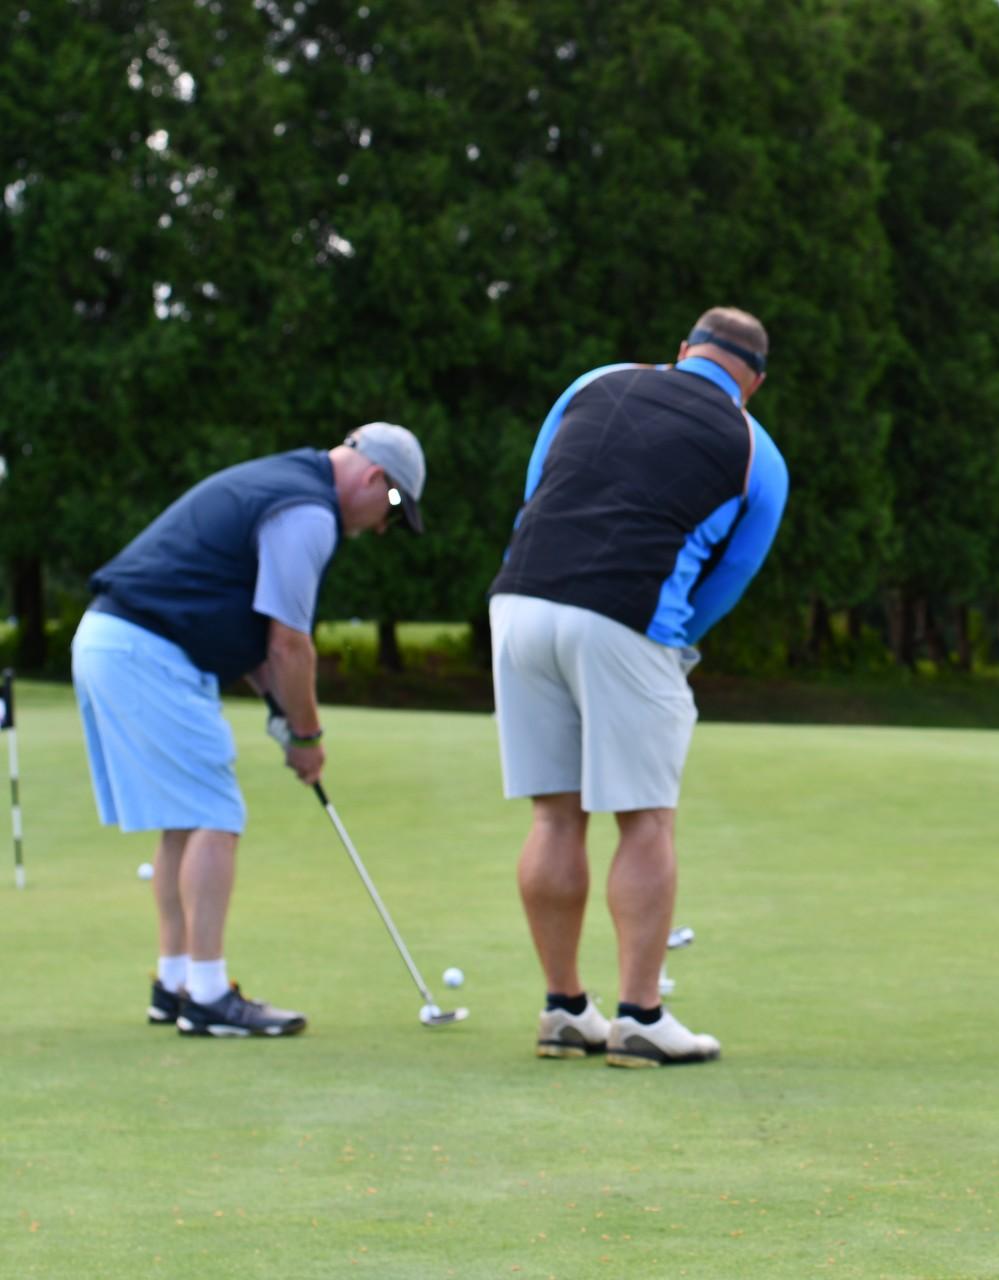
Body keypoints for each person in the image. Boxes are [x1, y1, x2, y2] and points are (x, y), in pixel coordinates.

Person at [489, 307, 788, 1067]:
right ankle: (640, 1017)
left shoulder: (595, 381)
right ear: (752, 382)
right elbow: (732, 574)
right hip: (626, 617)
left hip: (518, 601)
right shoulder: (758, 451)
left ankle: (564, 1009)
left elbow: (537, 488)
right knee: (645, 822)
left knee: (554, 816)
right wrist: (677, 639)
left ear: (683, 351)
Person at [74, 424, 427, 1036]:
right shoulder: (308, 513)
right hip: (145, 649)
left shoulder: (282, 480)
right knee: (215, 812)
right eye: (392, 506)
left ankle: (176, 980)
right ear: (375, 478)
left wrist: (283, 716)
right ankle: (208, 995)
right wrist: (309, 739)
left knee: (186, 818)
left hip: (116, 640)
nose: (381, 525)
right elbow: (290, 645)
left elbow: (257, 650)